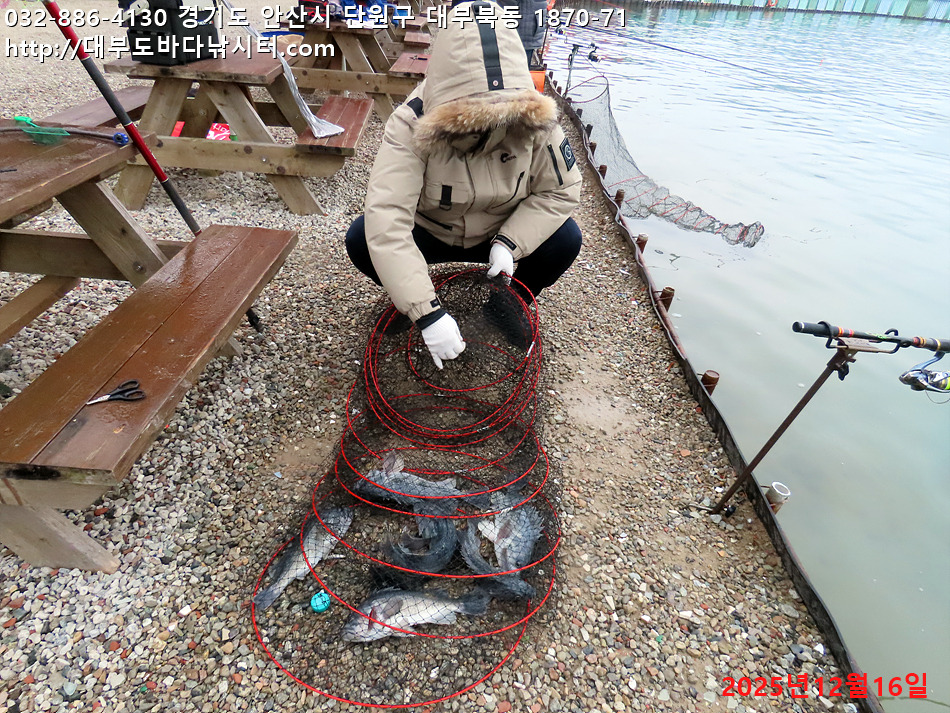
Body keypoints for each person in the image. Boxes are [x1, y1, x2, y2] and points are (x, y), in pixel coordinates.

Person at [345, 0, 582, 369]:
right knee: (361, 238)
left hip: (498, 234)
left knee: (566, 239)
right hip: (432, 230)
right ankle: (407, 301)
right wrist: (426, 312)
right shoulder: (410, 123)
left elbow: (561, 190)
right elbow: (387, 219)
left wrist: (510, 243)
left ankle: (506, 304)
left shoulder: (536, 118)